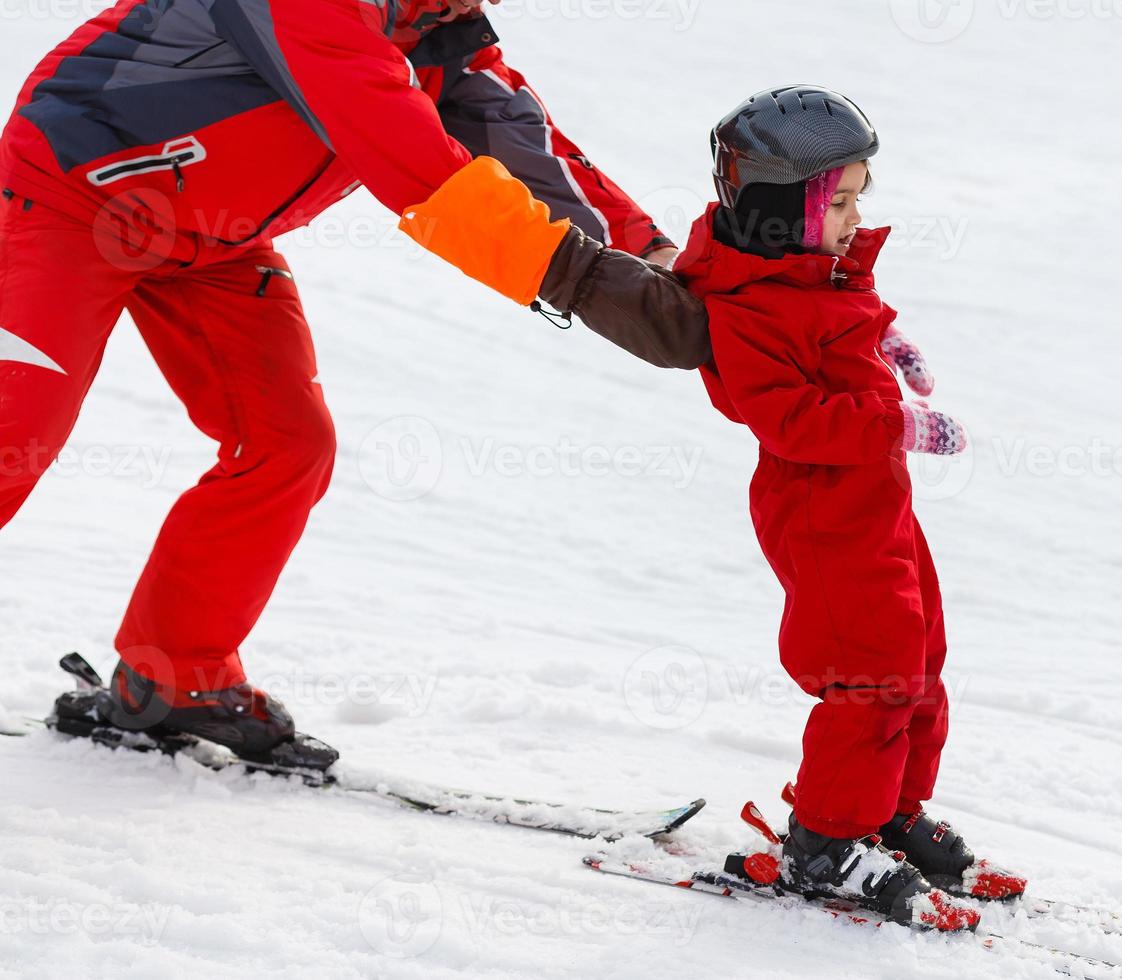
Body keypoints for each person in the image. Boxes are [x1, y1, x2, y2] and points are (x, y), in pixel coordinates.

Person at [0, 0, 708, 767]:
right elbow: (418, 166)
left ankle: (176, 679)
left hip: (212, 242)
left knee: (287, 446)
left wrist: (657, 259)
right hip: (69, 197)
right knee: (16, 432)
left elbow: (530, 152)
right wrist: (589, 285)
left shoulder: (442, 37)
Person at [674, 85, 1025, 927]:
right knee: (871, 670)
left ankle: (888, 816)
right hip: (819, 507)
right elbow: (789, 417)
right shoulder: (745, 305)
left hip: (875, 499)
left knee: (921, 653)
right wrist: (897, 421)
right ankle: (827, 842)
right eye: (841, 200)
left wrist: (884, 342)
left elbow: (835, 320)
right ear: (778, 207)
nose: (853, 215)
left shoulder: (807, 270)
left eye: (860, 195)